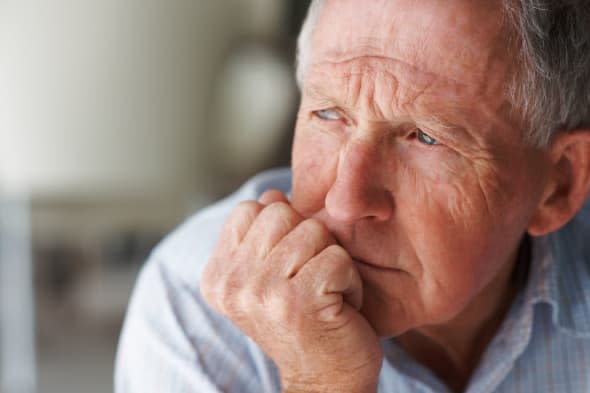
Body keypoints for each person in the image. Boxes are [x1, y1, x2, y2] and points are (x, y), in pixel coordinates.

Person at [115, 0, 590, 392]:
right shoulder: (193, 304)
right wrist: (322, 381)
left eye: (425, 138)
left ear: (558, 185)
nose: (345, 201)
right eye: (328, 114)